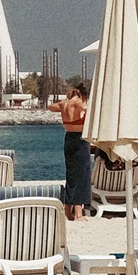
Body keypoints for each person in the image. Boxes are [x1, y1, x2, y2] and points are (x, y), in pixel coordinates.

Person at [60, 78, 92, 219]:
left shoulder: (64, 104)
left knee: (71, 175)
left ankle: (67, 209)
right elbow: (87, 110)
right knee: (82, 175)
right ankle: (79, 213)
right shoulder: (79, 103)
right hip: (80, 139)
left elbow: (52, 107)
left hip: (68, 138)